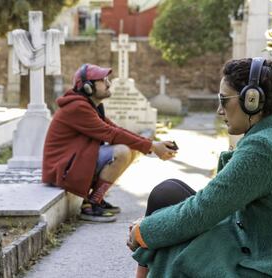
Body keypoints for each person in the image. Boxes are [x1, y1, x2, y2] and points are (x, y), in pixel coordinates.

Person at [127, 58, 272, 277]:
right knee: (168, 192)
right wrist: (150, 229)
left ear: (251, 100)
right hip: (261, 244)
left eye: (224, 100)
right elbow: (213, 201)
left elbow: (202, 210)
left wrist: (143, 231)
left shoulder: (263, 148)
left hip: (270, 266)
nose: (219, 110)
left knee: (165, 243)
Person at [42, 63, 176, 222]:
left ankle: (96, 199)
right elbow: (112, 133)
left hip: (73, 161)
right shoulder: (77, 107)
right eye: (103, 80)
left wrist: (152, 144)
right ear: (87, 87)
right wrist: (153, 147)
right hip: (61, 168)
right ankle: (91, 205)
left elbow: (116, 130)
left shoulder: (91, 106)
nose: (108, 83)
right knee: (122, 152)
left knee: (130, 149)